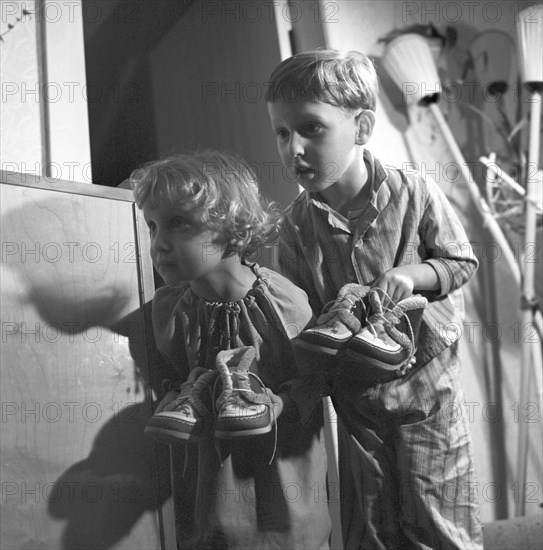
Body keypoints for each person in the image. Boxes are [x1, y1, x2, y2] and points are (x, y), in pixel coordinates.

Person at [266, 49, 484, 549]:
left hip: (426, 383)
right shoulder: (297, 227)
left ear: (361, 127)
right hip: (357, 393)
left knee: (438, 508)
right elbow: (301, 318)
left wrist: (413, 274)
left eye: (311, 128)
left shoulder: (416, 191)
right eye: (281, 132)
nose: (292, 147)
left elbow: (461, 262)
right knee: (371, 522)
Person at [130, 150, 331, 549]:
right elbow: (167, 380)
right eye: (152, 227)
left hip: (281, 476)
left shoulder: (281, 300)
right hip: (209, 485)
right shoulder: (170, 310)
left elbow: (316, 382)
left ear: (230, 225)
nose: (159, 244)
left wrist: (279, 403)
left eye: (178, 224)